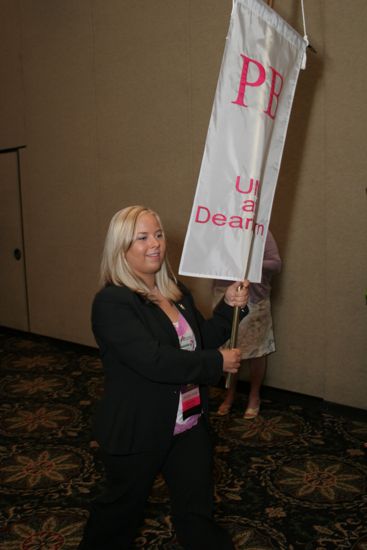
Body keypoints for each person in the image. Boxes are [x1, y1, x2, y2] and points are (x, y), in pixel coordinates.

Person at [78, 205, 249, 550]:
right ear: (121, 247)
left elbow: (200, 339)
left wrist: (230, 306)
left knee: (198, 513)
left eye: (157, 234)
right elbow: (153, 361)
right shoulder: (112, 302)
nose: (154, 243)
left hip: (187, 426)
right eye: (142, 237)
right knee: (118, 517)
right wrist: (215, 364)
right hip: (138, 428)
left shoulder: (174, 291)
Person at [213, 230, 281, 419]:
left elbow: (276, 264)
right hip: (225, 294)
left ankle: (254, 396)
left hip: (254, 300)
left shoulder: (262, 231)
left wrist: (249, 266)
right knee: (229, 346)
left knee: (256, 351)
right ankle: (229, 394)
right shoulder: (222, 228)